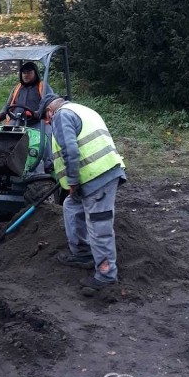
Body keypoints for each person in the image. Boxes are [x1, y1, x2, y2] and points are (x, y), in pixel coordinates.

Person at [46, 97, 126, 296]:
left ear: (49, 110)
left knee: (99, 226)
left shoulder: (61, 115)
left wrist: (72, 181)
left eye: (46, 118)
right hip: (96, 176)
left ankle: (106, 275)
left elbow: (70, 150)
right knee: (71, 206)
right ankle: (82, 253)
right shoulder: (81, 109)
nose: (48, 123)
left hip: (98, 178)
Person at [0, 61, 56, 126]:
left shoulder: (43, 86)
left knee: (41, 134)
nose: (26, 75)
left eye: (29, 72)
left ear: (35, 73)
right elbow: (8, 105)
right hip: (16, 121)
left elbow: (49, 105)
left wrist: (35, 114)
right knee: (4, 134)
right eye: (24, 73)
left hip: (37, 123)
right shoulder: (17, 88)